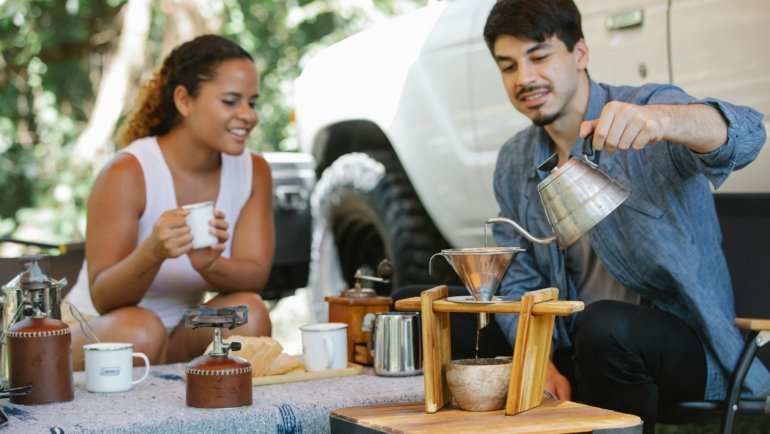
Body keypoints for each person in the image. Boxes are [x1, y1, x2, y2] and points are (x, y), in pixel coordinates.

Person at [482, 0, 770, 431]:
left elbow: (749, 136)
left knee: (604, 327)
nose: (524, 78)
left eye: (538, 56)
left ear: (580, 53)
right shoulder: (514, 159)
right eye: (508, 66)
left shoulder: (646, 108)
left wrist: (664, 122)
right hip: (574, 344)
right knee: (445, 310)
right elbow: (517, 276)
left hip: (677, 345)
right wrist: (536, 361)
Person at [64, 34, 274, 370]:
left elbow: (254, 278)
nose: (248, 115)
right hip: (98, 328)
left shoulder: (255, 171)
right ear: (184, 100)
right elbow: (104, 298)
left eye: (252, 102)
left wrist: (209, 264)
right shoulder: (128, 171)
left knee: (249, 315)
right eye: (231, 101)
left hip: (181, 330)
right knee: (142, 331)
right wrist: (154, 251)